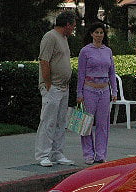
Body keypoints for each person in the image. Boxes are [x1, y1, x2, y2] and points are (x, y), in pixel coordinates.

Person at [35, 11, 76, 167]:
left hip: (63, 87)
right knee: (48, 121)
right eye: (72, 25)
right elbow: (44, 61)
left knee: (60, 121)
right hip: (53, 86)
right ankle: (42, 154)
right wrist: (47, 84)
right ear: (66, 25)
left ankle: (57, 152)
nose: (73, 29)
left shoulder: (64, 38)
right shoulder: (50, 37)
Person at [76, 23, 117, 165]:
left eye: (101, 32)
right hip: (89, 90)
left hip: (104, 90)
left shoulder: (108, 51)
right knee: (86, 123)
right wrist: (79, 93)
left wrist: (114, 91)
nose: (99, 35)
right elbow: (80, 73)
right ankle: (88, 153)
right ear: (91, 34)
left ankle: (101, 154)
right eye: (96, 32)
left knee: (103, 124)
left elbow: (112, 72)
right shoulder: (85, 51)